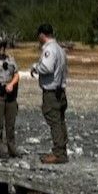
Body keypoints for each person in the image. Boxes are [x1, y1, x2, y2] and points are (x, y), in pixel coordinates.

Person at [30, 23, 69, 164]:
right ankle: (62, 149)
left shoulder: (49, 50)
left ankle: (59, 153)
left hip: (52, 92)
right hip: (60, 90)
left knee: (54, 121)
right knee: (60, 120)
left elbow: (47, 67)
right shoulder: (60, 49)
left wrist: (35, 67)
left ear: (42, 35)